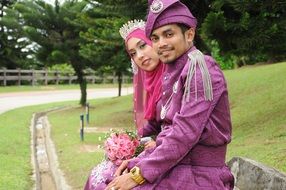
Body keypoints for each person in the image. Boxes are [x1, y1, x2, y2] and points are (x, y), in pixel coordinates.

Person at [105, 0, 234, 189]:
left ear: (189, 34)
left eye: (169, 34)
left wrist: (139, 175)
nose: (161, 43)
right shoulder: (173, 73)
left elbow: (184, 133)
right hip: (178, 167)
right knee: (104, 177)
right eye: (155, 38)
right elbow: (167, 132)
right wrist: (138, 161)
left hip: (200, 176)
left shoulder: (199, 67)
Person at [84, 19, 165, 190]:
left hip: (171, 157)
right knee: (100, 173)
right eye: (133, 53)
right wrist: (126, 143)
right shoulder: (152, 82)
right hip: (156, 152)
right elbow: (150, 128)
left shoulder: (174, 78)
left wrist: (156, 142)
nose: (140, 56)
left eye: (143, 45)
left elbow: (182, 131)